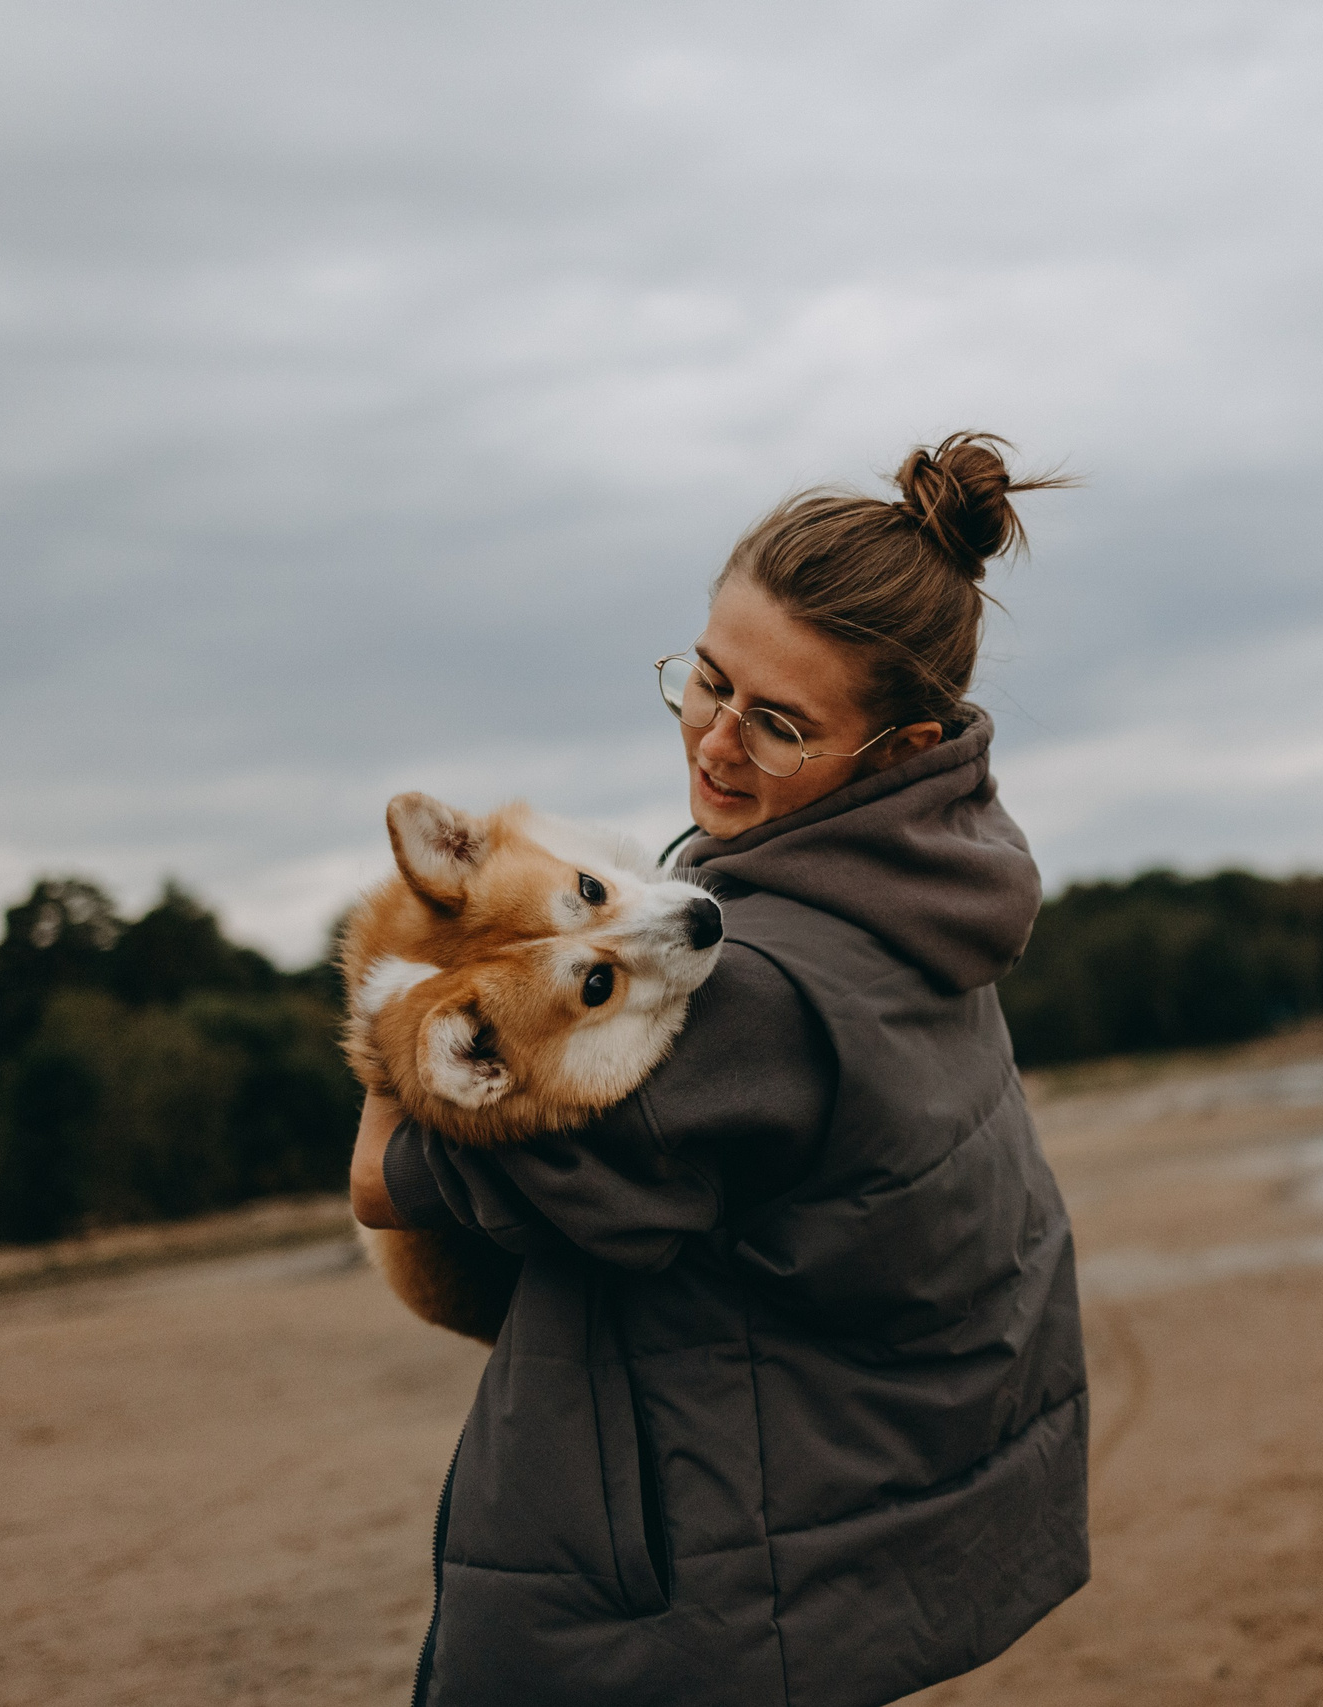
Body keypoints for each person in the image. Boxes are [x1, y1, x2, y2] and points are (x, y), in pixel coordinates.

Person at [350, 432, 1087, 1707]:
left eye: (782, 724)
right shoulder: (924, 898)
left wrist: (404, 991)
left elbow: (383, 1179)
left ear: (901, 746)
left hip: (669, 1619)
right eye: (706, 680)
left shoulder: (747, 992)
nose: (717, 743)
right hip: (809, 1571)